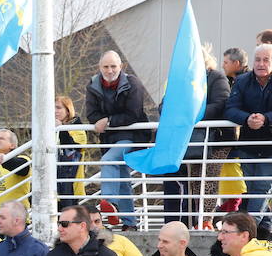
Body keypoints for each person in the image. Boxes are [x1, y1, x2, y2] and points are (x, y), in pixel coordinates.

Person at [225, 44, 272, 233]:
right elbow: (230, 108)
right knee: (252, 188)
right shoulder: (241, 81)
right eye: (258, 59)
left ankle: (247, 231)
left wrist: (266, 119)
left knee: (262, 187)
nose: (261, 63)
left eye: (266, 60)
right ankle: (264, 230)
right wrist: (246, 119)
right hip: (248, 143)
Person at [162, 45, 231, 227]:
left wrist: (191, 115)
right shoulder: (178, 80)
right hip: (185, 141)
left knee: (206, 180)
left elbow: (220, 104)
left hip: (214, 140)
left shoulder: (216, 77)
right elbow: (164, 106)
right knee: (185, 185)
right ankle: (187, 223)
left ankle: (205, 221)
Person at [85, 50, 149, 230]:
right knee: (121, 178)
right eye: (106, 66)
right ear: (100, 68)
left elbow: (133, 114)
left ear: (121, 67)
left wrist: (109, 120)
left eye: (113, 66)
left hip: (133, 137)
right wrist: (103, 121)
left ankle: (110, 203)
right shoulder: (93, 85)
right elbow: (91, 115)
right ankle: (130, 223)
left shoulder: (132, 83)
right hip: (110, 139)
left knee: (109, 160)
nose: (110, 70)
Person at [55, 96, 88, 209]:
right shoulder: (50, 129)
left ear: (68, 111)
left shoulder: (78, 129)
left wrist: (61, 129)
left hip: (70, 185)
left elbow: (72, 150)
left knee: (69, 220)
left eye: (58, 108)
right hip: (53, 183)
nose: (55, 111)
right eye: (53, 108)